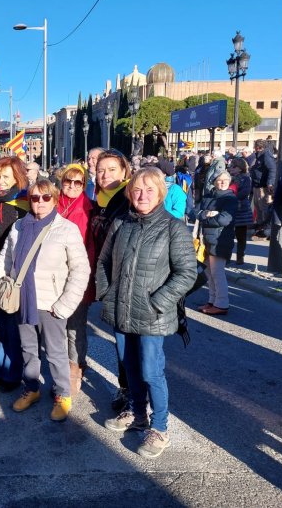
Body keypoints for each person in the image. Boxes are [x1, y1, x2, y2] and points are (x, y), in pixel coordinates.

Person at [98, 167, 196, 458]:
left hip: (152, 314)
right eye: (137, 190)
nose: (141, 195)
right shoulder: (121, 223)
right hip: (121, 310)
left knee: (151, 371)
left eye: (149, 190)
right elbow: (104, 260)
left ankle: (160, 428)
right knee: (130, 368)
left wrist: (158, 302)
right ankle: (137, 413)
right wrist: (106, 292)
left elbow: (187, 273)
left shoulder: (173, 228)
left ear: (161, 194)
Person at [0, 179, 89, 421]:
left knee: (55, 352)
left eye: (46, 197)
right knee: (28, 349)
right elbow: (4, 261)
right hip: (22, 299)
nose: (40, 202)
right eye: (35, 197)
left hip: (51, 304)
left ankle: (63, 393)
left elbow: (80, 269)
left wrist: (65, 304)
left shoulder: (66, 229)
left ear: (54, 199)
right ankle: (31, 388)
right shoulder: (19, 226)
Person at [89, 149, 132, 412]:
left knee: (131, 342)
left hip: (129, 280)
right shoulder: (100, 200)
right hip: (110, 279)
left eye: (112, 169)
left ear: (125, 171)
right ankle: (126, 387)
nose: (105, 175)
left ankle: (136, 397)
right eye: (101, 170)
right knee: (121, 339)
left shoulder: (130, 198)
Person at [0, 156, 29, 392]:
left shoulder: (23, 202)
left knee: (12, 326)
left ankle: (12, 374)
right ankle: (0, 369)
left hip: (12, 271)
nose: (0, 182)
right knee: (0, 325)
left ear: (17, 178)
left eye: (6, 177)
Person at [55, 164, 95, 397]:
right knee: (56, 327)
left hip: (77, 277)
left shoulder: (88, 210)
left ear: (84, 184)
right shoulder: (53, 204)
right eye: (67, 181)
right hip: (54, 277)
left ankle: (75, 370)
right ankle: (64, 369)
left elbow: (87, 249)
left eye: (77, 182)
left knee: (75, 328)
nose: (71, 186)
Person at [196, 172, 238, 315]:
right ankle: (212, 301)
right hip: (205, 240)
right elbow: (194, 212)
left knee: (217, 273)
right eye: (219, 180)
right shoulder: (208, 196)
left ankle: (221, 303)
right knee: (208, 272)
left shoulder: (230, 199)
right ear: (214, 182)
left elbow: (224, 219)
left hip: (220, 240)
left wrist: (205, 218)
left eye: (225, 180)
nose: (222, 182)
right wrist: (206, 214)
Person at [250, 139, 277, 240]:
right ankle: (260, 229)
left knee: (264, 209)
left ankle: (266, 232)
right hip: (258, 185)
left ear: (259, 147)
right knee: (259, 209)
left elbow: (272, 169)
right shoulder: (260, 155)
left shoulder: (266, 155)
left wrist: (270, 183)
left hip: (263, 187)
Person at [228, 158, 253, 265]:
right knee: (227, 235)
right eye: (231, 166)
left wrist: (232, 197)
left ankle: (240, 256)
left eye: (233, 166)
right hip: (229, 209)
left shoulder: (246, 178)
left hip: (241, 209)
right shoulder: (229, 178)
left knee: (241, 236)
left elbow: (245, 192)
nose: (231, 168)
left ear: (240, 168)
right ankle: (226, 256)